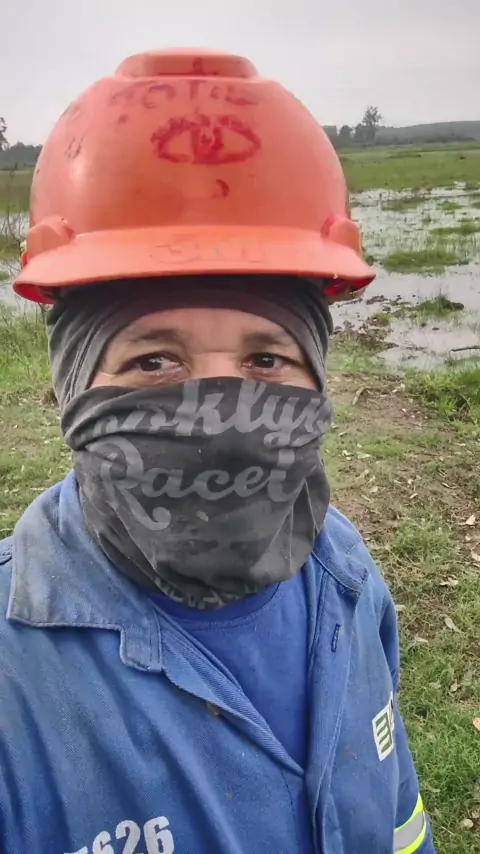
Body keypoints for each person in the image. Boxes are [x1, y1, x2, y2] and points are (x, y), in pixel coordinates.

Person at [0, 49, 435, 854]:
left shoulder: (344, 576)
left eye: (267, 359)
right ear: (70, 387)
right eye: (152, 362)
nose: (217, 413)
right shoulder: (12, 672)